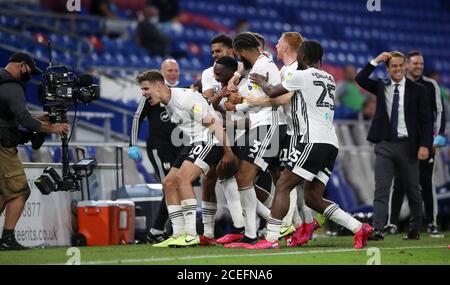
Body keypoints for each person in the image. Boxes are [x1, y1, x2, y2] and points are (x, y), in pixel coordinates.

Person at [248, 40, 372, 250]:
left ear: (303, 57)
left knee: (283, 184)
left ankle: (270, 239)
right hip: (331, 143)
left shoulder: (301, 76)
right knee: (313, 197)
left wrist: (261, 80)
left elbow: (272, 92)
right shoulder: (330, 78)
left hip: (312, 140)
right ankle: (358, 227)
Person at [135, 70, 234, 248]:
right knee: (168, 183)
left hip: (210, 140)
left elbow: (213, 123)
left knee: (182, 179)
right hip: (194, 142)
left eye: (145, 89)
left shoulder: (183, 99)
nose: (143, 93)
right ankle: (178, 233)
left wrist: (228, 152)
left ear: (158, 86)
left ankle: (191, 234)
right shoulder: (166, 102)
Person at [355, 51, 432, 241]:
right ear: (388, 69)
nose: (397, 69)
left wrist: (425, 145)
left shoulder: (418, 89)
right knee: (381, 189)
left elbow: (426, 121)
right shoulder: (382, 86)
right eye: (393, 66)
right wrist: (375, 61)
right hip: (385, 145)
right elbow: (360, 78)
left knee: (412, 189)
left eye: (400, 65)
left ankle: (415, 229)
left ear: (405, 66)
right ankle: (378, 229)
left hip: (409, 146)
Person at [222, 32, 287, 248]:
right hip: (260, 125)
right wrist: (238, 104)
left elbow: (277, 98)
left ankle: (267, 231)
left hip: (269, 127)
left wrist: (236, 106)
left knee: (245, 177)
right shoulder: (260, 65)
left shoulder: (263, 66)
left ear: (240, 51)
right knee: (244, 177)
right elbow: (256, 101)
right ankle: (256, 233)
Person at [0, 52, 69, 250]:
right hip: (2, 146)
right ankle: (7, 239)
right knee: (20, 191)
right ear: (21, 65)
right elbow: (23, 119)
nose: (29, 75)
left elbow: (9, 116)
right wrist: (53, 128)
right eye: (29, 70)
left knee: (4, 193)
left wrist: (40, 118)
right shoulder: (12, 86)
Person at [386, 50, 446, 235]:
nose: (419, 66)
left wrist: (437, 139)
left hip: (426, 142)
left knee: (427, 182)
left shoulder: (430, 85)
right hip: (403, 142)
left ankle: (432, 222)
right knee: (399, 183)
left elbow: (440, 112)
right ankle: (392, 223)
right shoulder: (398, 85)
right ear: (406, 65)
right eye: (415, 63)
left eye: (421, 63)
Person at [128, 59, 181, 243]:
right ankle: (161, 228)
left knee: (179, 185)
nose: (173, 73)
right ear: (161, 73)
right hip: (159, 147)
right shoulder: (149, 95)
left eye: (176, 70)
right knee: (170, 184)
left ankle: (169, 229)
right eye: (169, 70)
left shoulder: (182, 92)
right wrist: (132, 144)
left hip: (180, 147)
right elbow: (137, 118)